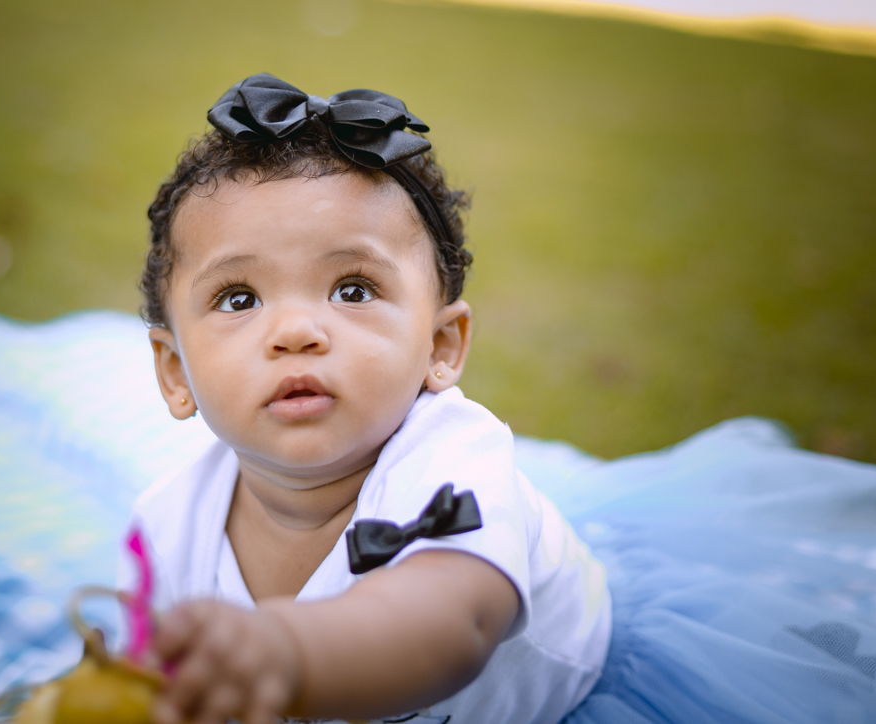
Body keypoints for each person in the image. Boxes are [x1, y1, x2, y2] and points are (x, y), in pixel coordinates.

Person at [126, 73, 611, 724]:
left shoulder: (452, 462)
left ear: (440, 346)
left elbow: (451, 625)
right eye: (239, 299)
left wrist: (285, 650)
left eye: (352, 290)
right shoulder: (169, 524)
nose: (296, 331)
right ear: (175, 371)